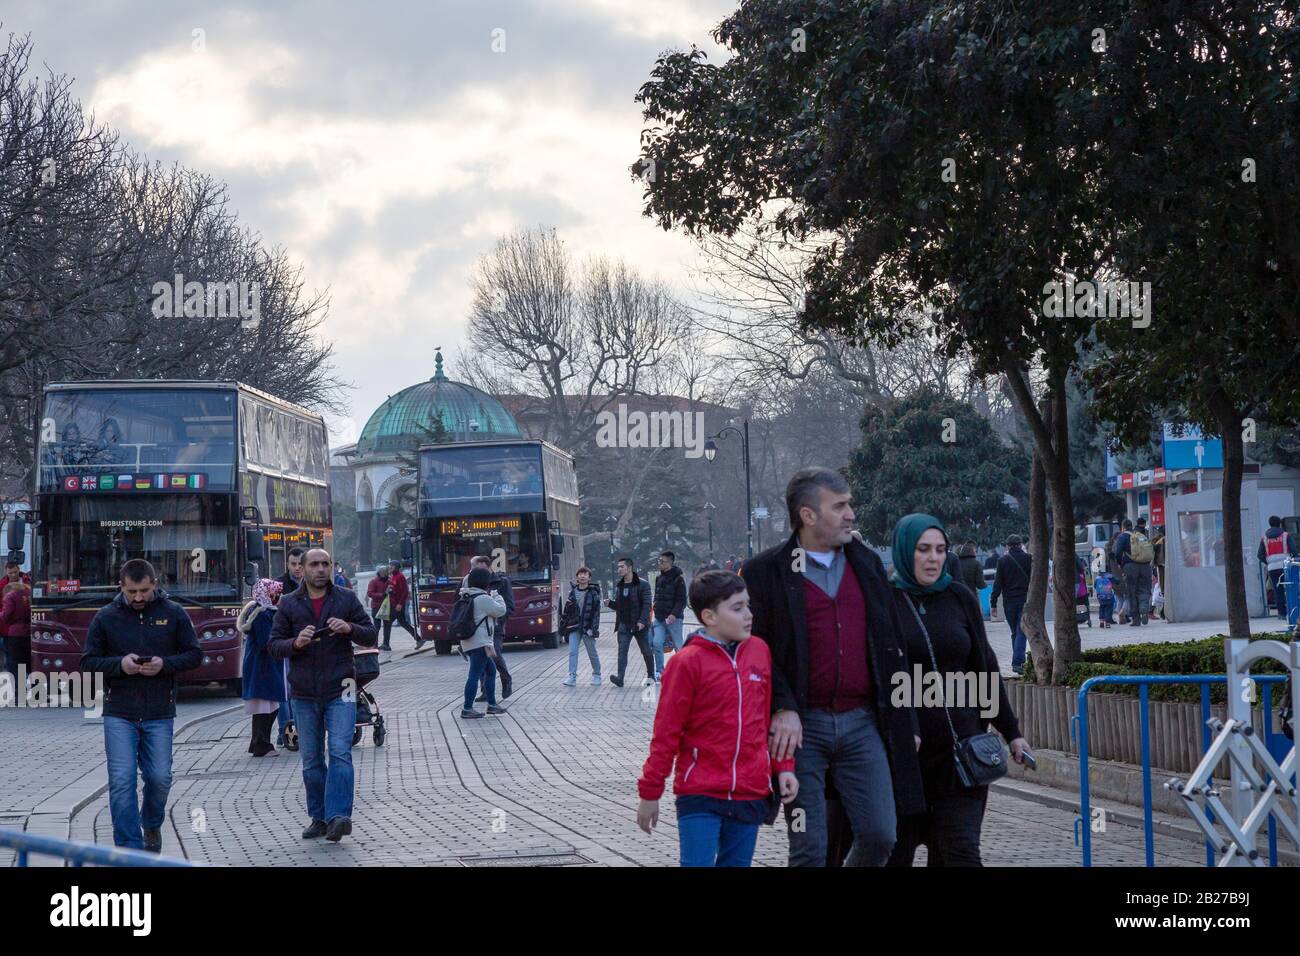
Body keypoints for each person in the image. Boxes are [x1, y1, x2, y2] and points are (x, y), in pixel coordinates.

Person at [743, 467, 924, 867]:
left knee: (880, 835)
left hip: (863, 724)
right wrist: (782, 707)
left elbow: (891, 647)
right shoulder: (765, 572)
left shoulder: (867, 566)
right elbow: (759, 651)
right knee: (809, 848)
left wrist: (905, 720)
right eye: (839, 506)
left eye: (849, 504)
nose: (850, 514)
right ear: (808, 515)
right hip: (801, 730)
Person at [885, 514, 1029, 867]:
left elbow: (985, 666)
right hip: (904, 759)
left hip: (960, 752)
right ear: (905, 551)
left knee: (960, 853)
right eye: (923, 549)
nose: (933, 558)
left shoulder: (958, 596)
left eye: (940, 549)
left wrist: (1012, 732)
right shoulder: (884, 602)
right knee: (896, 854)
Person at [636, 570, 799, 866]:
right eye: (737, 608)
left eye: (748, 605)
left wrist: (784, 767)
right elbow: (666, 734)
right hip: (700, 793)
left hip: (749, 791)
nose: (749, 614)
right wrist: (650, 792)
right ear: (709, 617)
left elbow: (765, 722)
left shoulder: (760, 652)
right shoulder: (686, 663)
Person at [79, 559, 202, 852]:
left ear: (155, 585)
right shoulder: (106, 617)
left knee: (160, 777)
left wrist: (164, 664)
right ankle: (129, 848)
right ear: (121, 586)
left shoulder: (173, 613)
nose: (138, 598)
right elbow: (87, 662)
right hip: (119, 711)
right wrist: (120, 665)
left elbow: (195, 654)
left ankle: (151, 823)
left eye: (144, 591)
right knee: (121, 780)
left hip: (159, 710)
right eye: (132, 591)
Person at [269, 548, 377, 843]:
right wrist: (296, 643)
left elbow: (370, 634)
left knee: (341, 750)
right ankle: (319, 817)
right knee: (311, 760)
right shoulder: (289, 604)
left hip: (341, 686)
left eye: (325, 564)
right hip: (303, 691)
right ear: (302, 569)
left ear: (331, 567)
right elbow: (274, 645)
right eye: (314, 564)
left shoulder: (345, 598)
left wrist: (349, 627)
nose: (320, 569)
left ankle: (339, 816)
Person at [237, 578, 286, 757]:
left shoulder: (264, 611)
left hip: (264, 664)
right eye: (276, 593)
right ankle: (261, 744)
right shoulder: (262, 614)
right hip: (262, 666)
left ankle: (258, 742)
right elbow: (268, 641)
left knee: (269, 705)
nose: (279, 597)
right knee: (264, 706)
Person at [458, 567, 508, 719]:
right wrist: (497, 595)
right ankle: (467, 708)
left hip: (469, 640)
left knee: (491, 671)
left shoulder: (466, 596)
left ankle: (492, 705)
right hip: (480, 643)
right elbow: (501, 610)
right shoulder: (483, 598)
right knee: (474, 675)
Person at [606, 557, 654, 687]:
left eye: (622, 567)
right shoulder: (620, 586)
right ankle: (620, 677)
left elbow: (647, 605)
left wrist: (643, 621)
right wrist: (610, 604)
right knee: (622, 651)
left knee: (646, 651)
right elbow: (620, 606)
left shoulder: (643, 584)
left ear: (629, 568)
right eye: (618, 567)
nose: (619, 569)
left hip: (639, 625)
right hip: (624, 624)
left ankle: (651, 675)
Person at [275, 548, 306, 747]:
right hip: (287, 645)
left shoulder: (313, 584)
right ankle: (285, 732)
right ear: (287, 564)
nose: (296, 568)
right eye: (292, 564)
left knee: (300, 689)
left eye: (299, 564)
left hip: (307, 645)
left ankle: (302, 729)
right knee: (285, 692)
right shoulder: (278, 586)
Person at [990, 534, 1032, 675]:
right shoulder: (1029, 558)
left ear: (1007, 546)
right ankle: (1018, 662)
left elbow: (998, 583)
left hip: (1009, 602)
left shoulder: (1003, 561)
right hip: (1025, 600)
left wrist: (993, 602)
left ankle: (1017, 662)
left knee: (1016, 631)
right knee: (1020, 631)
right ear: (1021, 544)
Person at [560, 566, 602, 686]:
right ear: (577, 577)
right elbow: (567, 611)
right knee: (573, 652)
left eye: (585, 574)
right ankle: (572, 677)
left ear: (589, 577)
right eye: (580, 574)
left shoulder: (593, 593)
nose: (583, 576)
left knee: (592, 652)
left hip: (587, 627)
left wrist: (593, 629)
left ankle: (597, 675)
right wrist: (563, 627)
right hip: (574, 627)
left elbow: (596, 613)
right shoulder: (572, 593)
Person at [648, 550, 687, 678]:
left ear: (669, 563)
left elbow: (682, 600)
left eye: (662, 561)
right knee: (656, 643)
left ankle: (684, 672)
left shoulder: (678, 579)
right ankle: (660, 671)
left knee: (678, 647)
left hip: (674, 620)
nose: (659, 563)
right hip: (659, 619)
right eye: (659, 561)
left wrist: (674, 615)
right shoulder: (659, 578)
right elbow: (657, 596)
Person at [1115, 518, 1155, 626]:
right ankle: (1144, 609)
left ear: (1123, 527)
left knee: (1131, 592)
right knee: (1144, 589)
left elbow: (1118, 552)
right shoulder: (1140, 535)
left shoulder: (1123, 536)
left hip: (1130, 567)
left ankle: (1136, 619)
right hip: (1145, 566)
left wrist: (1121, 564)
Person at [1258, 515, 1298, 618]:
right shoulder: (1285, 535)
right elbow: (1294, 550)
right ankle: (1293, 612)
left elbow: (1260, 555)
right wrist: (1291, 558)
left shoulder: (1264, 538)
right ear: (1279, 523)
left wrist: (1268, 562)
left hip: (1272, 568)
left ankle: (1281, 613)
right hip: (1286, 566)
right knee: (1290, 588)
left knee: (1277, 590)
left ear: (1270, 524)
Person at [1, 580, 31, 681]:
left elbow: (6, 615)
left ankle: (20, 693)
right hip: (30, 632)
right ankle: (38, 692)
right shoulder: (29, 594)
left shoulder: (10, 596)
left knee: (17, 665)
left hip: (15, 634)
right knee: (31, 663)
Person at [386, 561, 421, 648]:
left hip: (397, 604)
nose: (389, 568)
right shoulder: (393, 577)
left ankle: (385, 644)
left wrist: (400, 604)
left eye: (391, 566)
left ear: (396, 567)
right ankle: (419, 639)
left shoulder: (400, 577)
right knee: (402, 622)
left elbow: (404, 591)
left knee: (389, 622)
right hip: (394, 603)